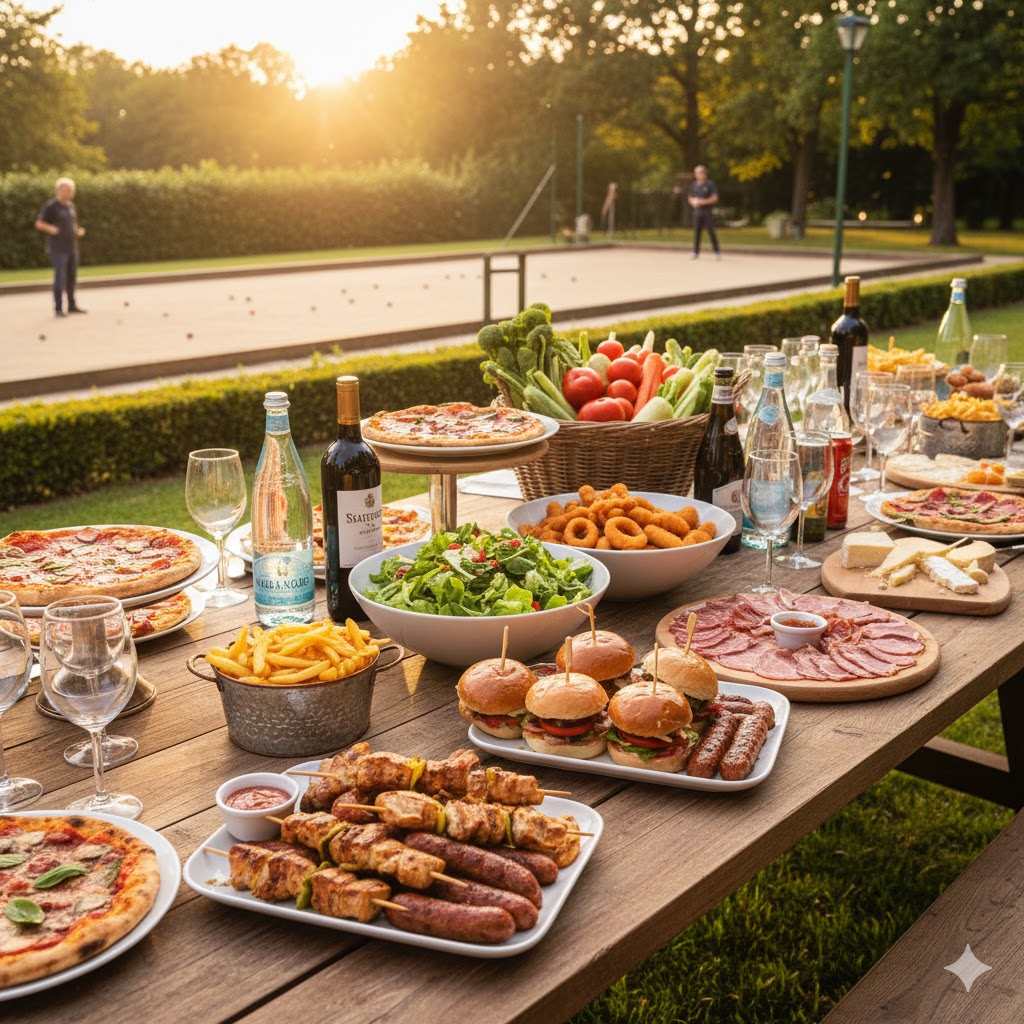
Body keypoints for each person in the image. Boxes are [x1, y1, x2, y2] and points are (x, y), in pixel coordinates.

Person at [34, 177, 87, 317]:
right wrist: (51, 229)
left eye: (71, 190)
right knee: (60, 277)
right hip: (58, 249)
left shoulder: (70, 206)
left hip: (71, 247)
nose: (70, 193)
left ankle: (72, 305)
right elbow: (39, 223)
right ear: (59, 190)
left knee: (72, 277)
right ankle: (58, 308)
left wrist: (77, 230)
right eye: (67, 190)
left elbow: (72, 224)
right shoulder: (51, 206)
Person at [688, 165, 720, 260]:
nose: (697, 175)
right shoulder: (694, 185)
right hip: (697, 212)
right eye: (696, 173)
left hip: (707, 211)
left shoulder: (710, 184)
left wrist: (702, 202)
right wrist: (693, 202)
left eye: (699, 173)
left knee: (711, 231)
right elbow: (690, 197)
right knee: (697, 232)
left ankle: (716, 252)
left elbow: (715, 198)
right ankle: (695, 252)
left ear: (704, 174)